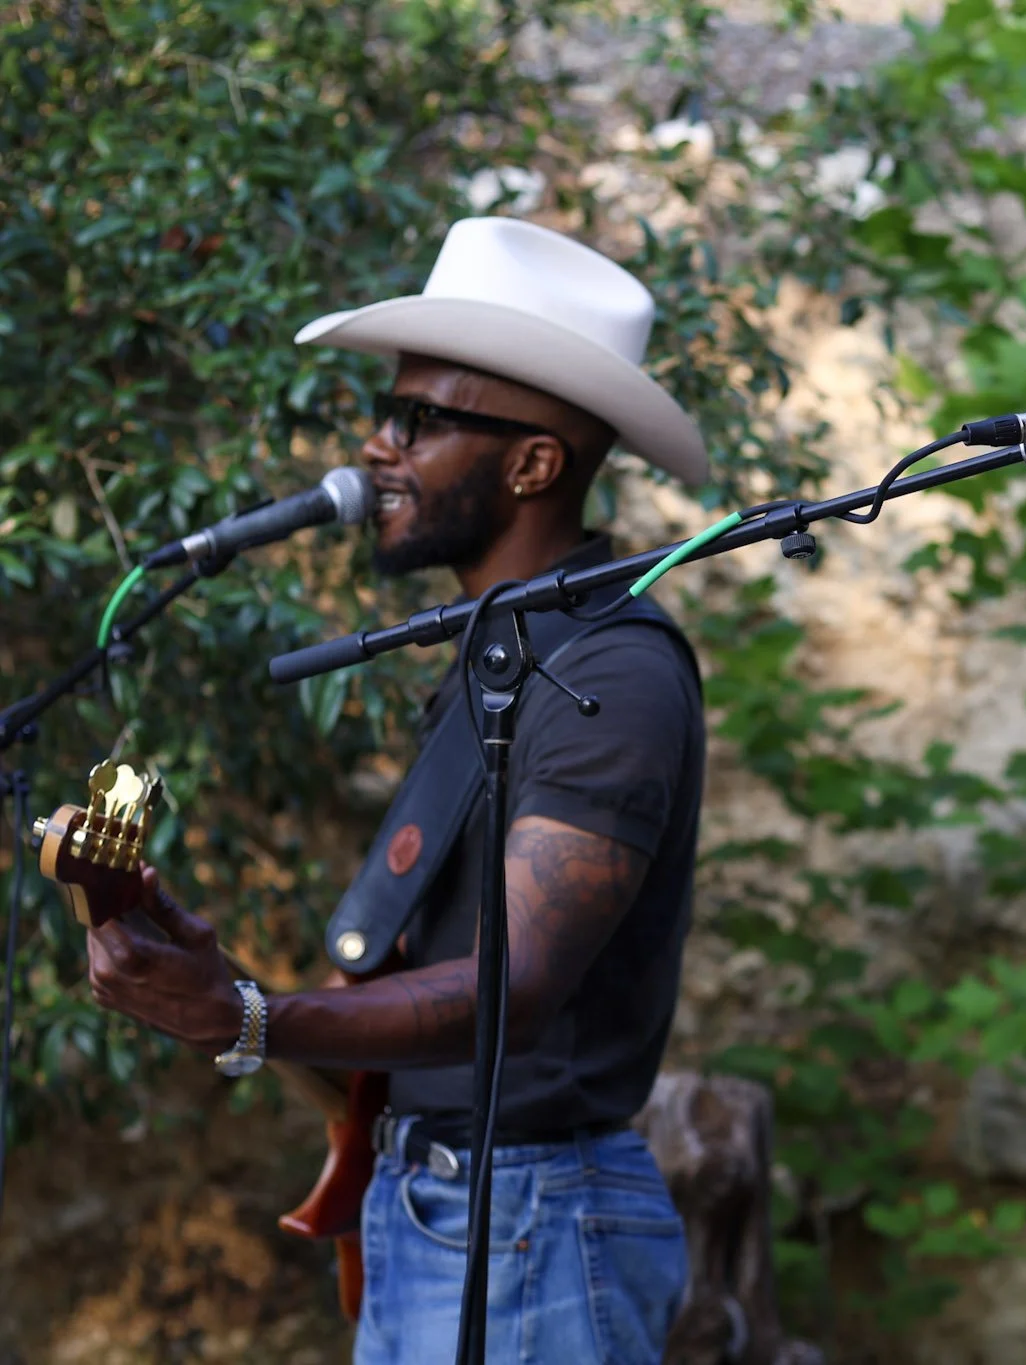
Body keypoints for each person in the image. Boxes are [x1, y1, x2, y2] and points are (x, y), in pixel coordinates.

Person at [84, 217, 710, 1365]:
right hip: (447, 1212)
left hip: (526, 1223)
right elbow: (409, 1012)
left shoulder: (609, 669)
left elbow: (511, 985)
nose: (374, 448)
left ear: (533, 465)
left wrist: (253, 1018)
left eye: (418, 421)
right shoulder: (506, 653)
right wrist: (225, 990)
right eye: (387, 410)